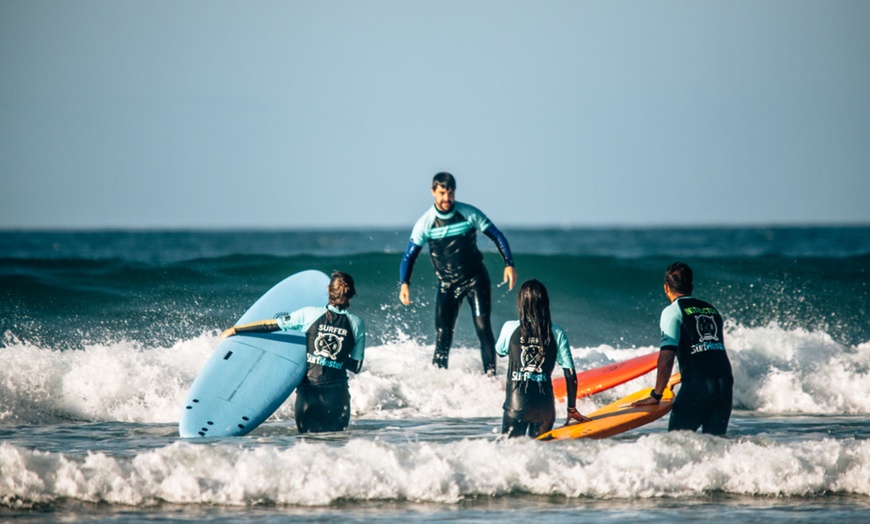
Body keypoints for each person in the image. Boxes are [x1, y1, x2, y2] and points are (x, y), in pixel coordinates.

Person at [399, 172, 517, 375]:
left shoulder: (469, 213)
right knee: (443, 334)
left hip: (475, 279)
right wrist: (404, 283)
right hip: (447, 284)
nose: (447, 198)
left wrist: (509, 264)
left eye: (451, 193)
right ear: (433, 192)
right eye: (442, 193)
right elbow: (409, 256)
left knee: (483, 328)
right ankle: (439, 378)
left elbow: (496, 235)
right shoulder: (426, 223)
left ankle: (490, 376)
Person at [221, 271, 365, 434]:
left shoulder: (309, 314)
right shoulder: (357, 324)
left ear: (328, 289)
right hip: (338, 397)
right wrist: (334, 358)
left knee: (306, 445)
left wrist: (236, 329)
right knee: (337, 445)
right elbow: (356, 366)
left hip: (310, 393)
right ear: (351, 293)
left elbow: (271, 325)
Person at [632, 262, 734, 435]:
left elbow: (666, 358)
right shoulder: (711, 310)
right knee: (716, 447)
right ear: (691, 286)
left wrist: (656, 395)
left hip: (698, 387)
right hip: (724, 385)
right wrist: (675, 378)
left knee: (677, 444)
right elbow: (707, 353)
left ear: (666, 288)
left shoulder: (672, 311)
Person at [496, 279, 590, 438]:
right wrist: (571, 409)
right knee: (542, 455)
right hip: (544, 408)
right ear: (545, 302)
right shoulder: (557, 332)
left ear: (521, 302)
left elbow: (500, 351)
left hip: (516, 405)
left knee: (507, 454)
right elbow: (570, 374)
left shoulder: (509, 327)